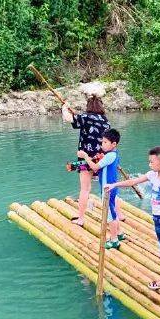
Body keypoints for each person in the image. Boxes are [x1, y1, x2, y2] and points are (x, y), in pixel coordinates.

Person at [108, 146, 160, 296]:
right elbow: (133, 182)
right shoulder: (152, 175)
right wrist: (114, 185)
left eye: (152, 162)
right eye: (149, 161)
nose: (149, 164)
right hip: (157, 218)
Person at [62, 93, 108, 225]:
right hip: (101, 159)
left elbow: (69, 119)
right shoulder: (105, 120)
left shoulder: (85, 117)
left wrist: (64, 108)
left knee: (85, 189)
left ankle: (81, 219)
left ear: (88, 106)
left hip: (85, 159)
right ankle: (118, 215)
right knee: (106, 187)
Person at [81, 128, 122, 248]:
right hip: (112, 187)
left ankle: (114, 240)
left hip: (107, 189)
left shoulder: (110, 156)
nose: (102, 144)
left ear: (113, 144)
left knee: (110, 215)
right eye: (102, 142)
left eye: (105, 142)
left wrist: (85, 156)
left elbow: (94, 167)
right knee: (113, 211)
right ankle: (119, 233)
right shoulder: (113, 154)